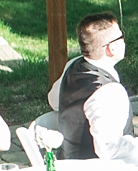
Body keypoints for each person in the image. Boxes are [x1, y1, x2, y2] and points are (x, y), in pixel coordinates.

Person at [53, 11, 132, 161]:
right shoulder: (109, 91)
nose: (124, 41)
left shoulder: (73, 65)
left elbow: (54, 101)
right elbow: (110, 150)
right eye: (121, 37)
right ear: (111, 48)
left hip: (66, 161)